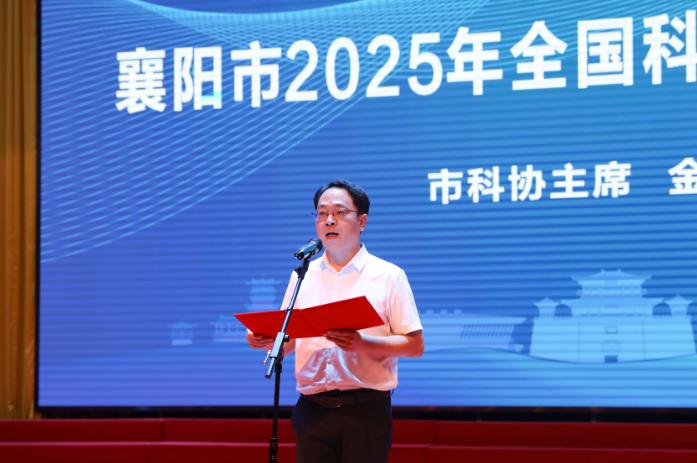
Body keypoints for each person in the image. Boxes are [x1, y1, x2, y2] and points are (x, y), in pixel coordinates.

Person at [247, 179, 424, 463]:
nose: (329, 220)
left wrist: (363, 343)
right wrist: (268, 339)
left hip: (365, 410)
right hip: (312, 410)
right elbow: (290, 341)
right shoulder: (302, 275)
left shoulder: (389, 276)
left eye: (340, 212)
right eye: (321, 213)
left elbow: (414, 345)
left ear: (362, 221)